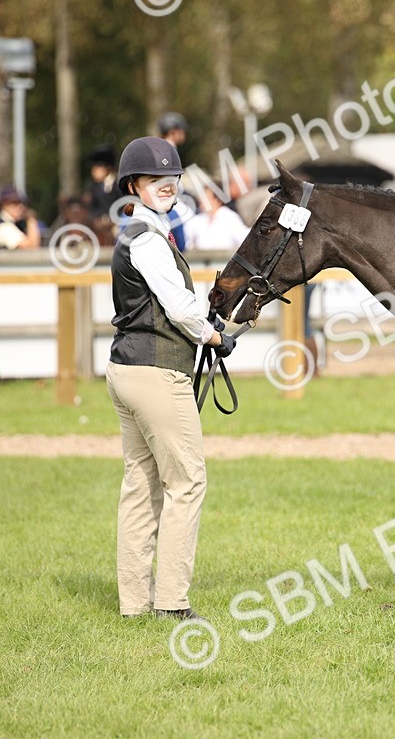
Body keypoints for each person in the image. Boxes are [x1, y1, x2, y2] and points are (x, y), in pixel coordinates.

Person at [106, 136, 236, 621]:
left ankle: (134, 604)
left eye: (172, 178)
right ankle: (172, 603)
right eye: (154, 179)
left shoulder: (142, 232)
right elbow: (180, 307)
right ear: (134, 184)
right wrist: (212, 335)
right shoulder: (147, 239)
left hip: (126, 368)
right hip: (156, 374)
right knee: (187, 481)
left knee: (141, 485)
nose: (166, 184)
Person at [182, 176, 250, 251]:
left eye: (206, 197)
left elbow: (245, 241)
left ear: (217, 199)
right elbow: (187, 243)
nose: (201, 200)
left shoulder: (230, 218)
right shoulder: (198, 220)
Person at [157, 112, 192, 249]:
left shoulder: (164, 147)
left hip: (171, 192)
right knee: (190, 217)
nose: (183, 134)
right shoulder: (168, 149)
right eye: (181, 131)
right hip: (168, 195)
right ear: (172, 131)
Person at [82, 145, 120, 245]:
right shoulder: (92, 187)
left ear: (108, 168)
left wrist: (113, 220)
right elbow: (91, 207)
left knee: (120, 235)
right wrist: (96, 219)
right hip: (98, 223)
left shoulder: (118, 184)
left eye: (97, 168)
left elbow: (123, 204)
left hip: (117, 223)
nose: (93, 172)